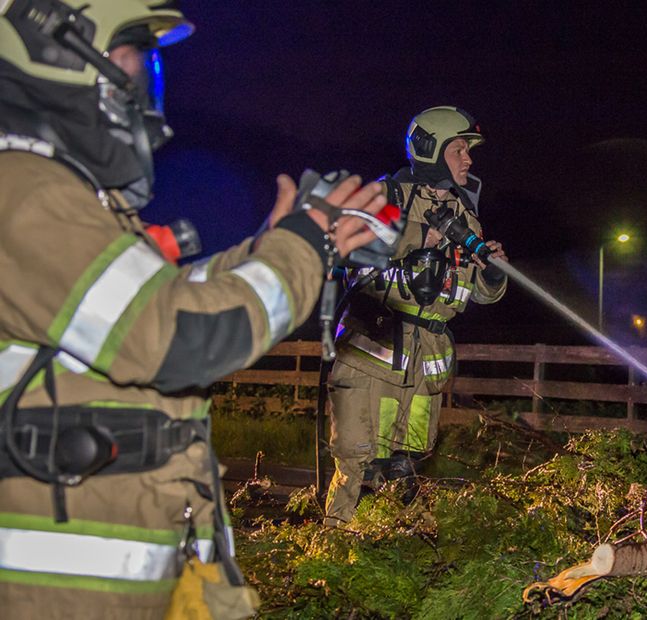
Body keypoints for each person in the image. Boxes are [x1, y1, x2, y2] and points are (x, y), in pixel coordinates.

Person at [0, 2, 394, 618]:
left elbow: (163, 300)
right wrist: (297, 249)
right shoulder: (23, 192)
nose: (145, 90)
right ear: (53, 52)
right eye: (133, 62)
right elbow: (179, 336)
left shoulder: (62, 199)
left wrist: (273, 247)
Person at [324, 106, 508, 524]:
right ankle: (333, 558)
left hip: (426, 363)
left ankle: (406, 556)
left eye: (467, 151)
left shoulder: (467, 220)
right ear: (432, 149)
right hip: (373, 351)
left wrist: (493, 273)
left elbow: (480, 293)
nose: (468, 159)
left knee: (406, 471)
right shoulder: (387, 198)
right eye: (459, 149)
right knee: (359, 465)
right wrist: (416, 237)